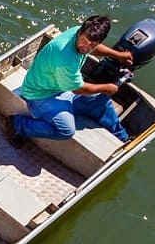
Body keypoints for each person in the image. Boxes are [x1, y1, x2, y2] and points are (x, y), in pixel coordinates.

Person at [9, 15, 135, 147]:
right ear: (80, 32)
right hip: (41, 95)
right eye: (84, 41)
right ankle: (18, 124)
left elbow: (94, 48)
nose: (86, 47)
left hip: (61, 86)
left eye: (92, 44)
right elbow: (78, 89)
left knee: (102, 101)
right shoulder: (65, 58)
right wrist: (107, 88)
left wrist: (118, 55)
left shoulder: (80, 32)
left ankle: (124, 138)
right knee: (66, 130)